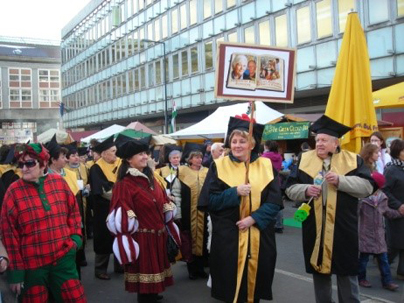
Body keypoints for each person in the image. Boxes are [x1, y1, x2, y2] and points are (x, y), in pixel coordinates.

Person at [285, 115, 375, 303]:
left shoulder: (352, 160)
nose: (319, 144)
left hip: (343, 226)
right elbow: (289, 189)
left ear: (336, 143)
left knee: (346, 271)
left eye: (324, 140)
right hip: (314, 226)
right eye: (317, 140)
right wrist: (305, 190)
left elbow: (367, 188)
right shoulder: (303, 159)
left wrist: (341, 180)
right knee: (319, 271)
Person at [199, 116, 282, 302]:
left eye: (242, 141)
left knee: (255, 287)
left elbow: (275, 201)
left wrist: (253, 218)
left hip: (259, 235)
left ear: (252, 144)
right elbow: (209, 201)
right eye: (234, 141)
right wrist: (234, 192)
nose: (237, 145)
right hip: (229, 237)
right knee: (231, 288)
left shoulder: (266, 166)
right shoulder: (218, 166)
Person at [0, 143, 86, 302]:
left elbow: (74, 213)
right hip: (32, 266)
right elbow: (8, 234)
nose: (24, 168)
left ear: (43, 163)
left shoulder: (59, 183)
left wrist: (75, 240)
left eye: (30, 163)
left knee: (75, 299)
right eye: (21, 164)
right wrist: (16, 273)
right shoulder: (13, 191)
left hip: (63, 260)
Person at [108, 138, 179, 303]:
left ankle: (152, 294)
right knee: (145, 284)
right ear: (128, 159)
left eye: (146, 153)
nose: (145, 157)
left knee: (154, 279)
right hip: (142, 239)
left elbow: (161, 202)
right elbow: (121, 216)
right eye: (140, 154)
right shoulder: (124, 184)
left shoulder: (152, 179)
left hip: (158, 236)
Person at [358, 144, 400, 291]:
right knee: (363, 259)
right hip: (365, 233)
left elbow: (387, 211)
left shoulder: (382, 198)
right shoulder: (363, 200)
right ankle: (361, 278)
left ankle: (387, 281)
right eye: (376, 152)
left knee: (383, 259)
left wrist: (399, 213)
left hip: (379, 234)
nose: (379, 154)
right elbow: (356, 214)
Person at [89, 135, 121, 280]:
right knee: (104, 238)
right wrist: (121, 194)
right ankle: (100, 269)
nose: (116, 153)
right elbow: (102, 190)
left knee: (121, 235)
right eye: (113, 151)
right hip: (104, 209)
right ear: (104, 153)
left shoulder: (120, 164)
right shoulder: (96, 168)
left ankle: (120, 264)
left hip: (120, 208)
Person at [178, 142, 209, 280]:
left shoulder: (207, 172)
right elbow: (176, 192)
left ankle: (201, 268)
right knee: (189, 241)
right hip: (187, 212)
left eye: (200, 157)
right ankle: (191, 269)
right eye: (196, 157)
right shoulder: (182, 172)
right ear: (189, 159)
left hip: (204, 212)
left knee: (203, 240)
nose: (199, 159)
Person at [383, 139, 404, 280]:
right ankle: (383, 264)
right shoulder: (391, 169)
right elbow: (384, 190)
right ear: (398, 152)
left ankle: (401, 271)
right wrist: (398, 205)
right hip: (396, 212)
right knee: (395, 245)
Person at [156, 145, 183, 222]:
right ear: (170, 159)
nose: (176, 159)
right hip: (170, 198)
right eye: (174, 158)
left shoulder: (185, 169)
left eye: (177, 157)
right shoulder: (163, 170)